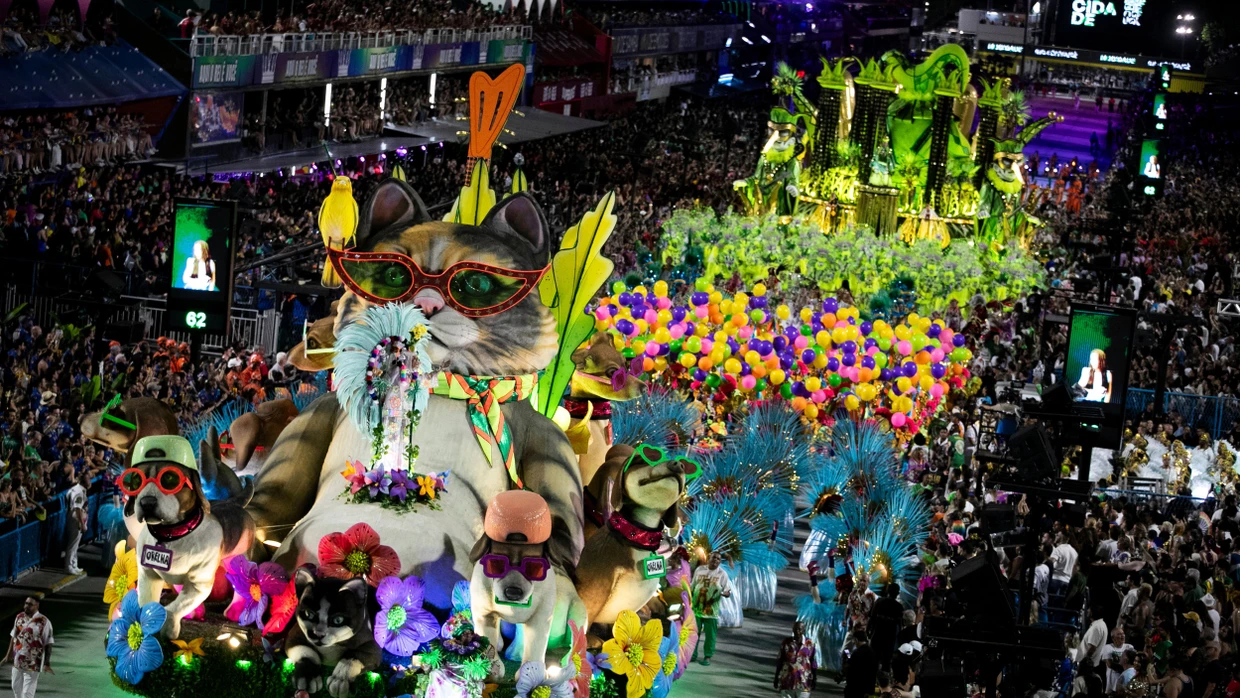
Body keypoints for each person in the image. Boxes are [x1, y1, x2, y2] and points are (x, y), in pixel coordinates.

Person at [2, 597, 54, 698]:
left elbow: (49, 643)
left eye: (30, 604)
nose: (26, 606)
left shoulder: (44, 621)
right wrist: (8, 655)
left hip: (33, 662)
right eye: (26, 603)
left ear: (37, 605)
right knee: (15, 688)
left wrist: (47, 663)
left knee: (27, 693)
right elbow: (14, 636)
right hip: (18, 660)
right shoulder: (19, 617)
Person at [691, 551, 733, 666]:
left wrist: (725, 594)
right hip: (696, 609)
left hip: (711, 611)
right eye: (714, 558)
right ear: (709, 558)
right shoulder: (699, 570)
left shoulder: (722, 574)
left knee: (710, 636)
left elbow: (727, 590)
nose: (716, 560)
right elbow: (692, 586)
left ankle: (707, 656)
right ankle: (692, 655)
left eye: (718, 559)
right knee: (694, 633)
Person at [774, 621, 817, 698]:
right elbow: (780, 660)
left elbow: (813, 662)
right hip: (787, 682)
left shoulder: (809, 644)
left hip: (803, 682)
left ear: (803, 630)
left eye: (799, 629)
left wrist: (814, 679)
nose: (797, 631)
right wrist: (776, 677)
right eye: (795, 629)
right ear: (792, 630)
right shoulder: (786, 642)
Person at [869, 583, 904, 670]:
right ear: (897, 593)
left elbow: (872, 617)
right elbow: (900, 625)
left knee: (873, 660)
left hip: (877, 635)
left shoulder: (879, 602)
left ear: (887, 591)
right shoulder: (899, 607)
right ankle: (884, 682)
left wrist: (868, 631)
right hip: (889, 639)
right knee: (886, 662)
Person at [62, 474, 87, 575]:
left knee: (76, 544)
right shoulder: (78, 491)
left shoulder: (80, 490)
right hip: (75, 519)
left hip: (76, 518)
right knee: (73, 543)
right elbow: (77, 509)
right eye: (88, 479)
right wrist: (81, 523)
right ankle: (68, 566)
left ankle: (74, 564)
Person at [845, 629, 879, 698]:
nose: (854, 642)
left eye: (854, 640)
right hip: (868, 689)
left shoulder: (856, 653)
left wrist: (847, 655)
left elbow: (850, 667)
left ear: (856, 640)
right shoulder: (873, 653)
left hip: (855, 689)